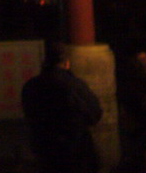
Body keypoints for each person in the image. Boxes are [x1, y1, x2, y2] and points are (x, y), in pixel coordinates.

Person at [22, 42, 103, 173]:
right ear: (66, 63)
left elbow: (29, 115)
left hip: (44, 150)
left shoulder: (31, 86)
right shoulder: (74, 85)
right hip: (74, 149)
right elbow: (95, 113)